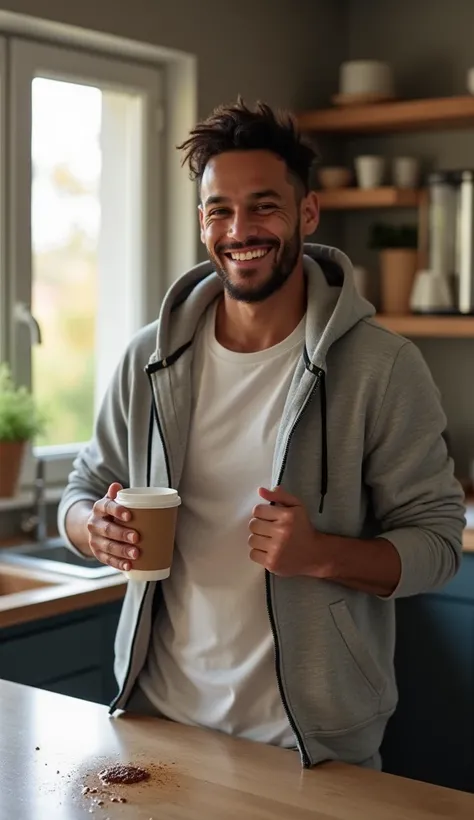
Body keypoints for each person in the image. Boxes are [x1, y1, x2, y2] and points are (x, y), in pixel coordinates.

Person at [58, 98, 466, 770]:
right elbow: (78, 491)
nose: (240, 228)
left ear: (307, 214)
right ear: (201, 224)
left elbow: (439, 544)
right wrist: (90, 529)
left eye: (264, 205)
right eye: (220, 209)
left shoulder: (382, 367)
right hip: (160, 725)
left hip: (312, 748)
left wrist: (320, 554)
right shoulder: (148, 361)